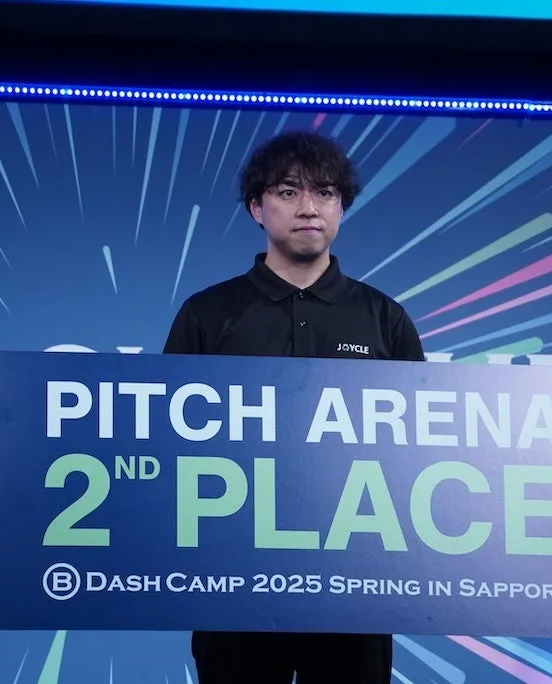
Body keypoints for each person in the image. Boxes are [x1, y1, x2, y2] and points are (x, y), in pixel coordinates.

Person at [163, 129, 426, 684]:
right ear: (256, 208)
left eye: (325, 193)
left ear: (341, 208)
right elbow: (166, 443)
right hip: (233, 580)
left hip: (356, 584)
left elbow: (420, 451)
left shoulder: (385, 319)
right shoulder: (208, 314)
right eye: (288, 191)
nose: (309, 208)